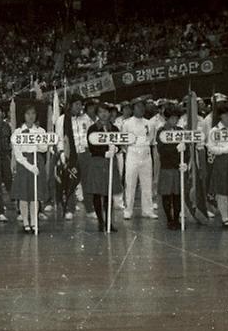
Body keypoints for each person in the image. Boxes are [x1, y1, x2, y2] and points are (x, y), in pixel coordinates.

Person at [11, 105, 49, 233]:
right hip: (24, 164)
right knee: (23, 195)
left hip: (37, 162)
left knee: (35, 195)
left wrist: (36, 143)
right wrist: (29, 166)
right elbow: (17, 154)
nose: (31, 116)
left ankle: (34, 222)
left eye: (33, 113)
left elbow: (44, 148)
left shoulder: (41, 131)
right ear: (23, 115)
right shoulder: (17, 132)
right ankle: (26, 223)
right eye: (28, 114)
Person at [85, 103, 121, 232]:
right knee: (97, 192)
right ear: (97, 114)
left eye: (106, 111)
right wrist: (103, 152)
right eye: (100, 112)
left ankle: (109, 222)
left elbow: (120, 143)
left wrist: (116, 149)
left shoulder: (115, 129)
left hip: (110, 162)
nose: (104, 114)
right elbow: (91, 147)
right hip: (98, 162)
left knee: (108, 193)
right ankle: (101, 221)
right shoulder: (92, 129)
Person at [122, 98, 158, 220]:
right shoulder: (126, 123)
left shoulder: (150, 123)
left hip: (146, 154)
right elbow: (123, 141)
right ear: (133, 108)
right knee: (130, 183)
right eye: (138, 106)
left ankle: (147, 210)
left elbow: (151, 139)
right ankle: (128, 210)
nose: (141, 109)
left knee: (147, 183)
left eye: (142, 106)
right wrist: (131, 151)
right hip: (132, 153)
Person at [56, 94, 90, 220]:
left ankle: (90, 209)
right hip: (70, 154)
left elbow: (89, 136)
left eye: (81, 104)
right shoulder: (62, 119)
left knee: (87, 182)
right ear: (70, 105)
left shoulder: (85, 119)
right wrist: (62, 153)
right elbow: (59, 137)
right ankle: (70, 209)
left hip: (84, 153)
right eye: (77, 104)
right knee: (71, 182)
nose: (79, 107)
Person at [156, 104, 189, 230]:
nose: (174, 120)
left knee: (178, 195)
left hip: (179, 168)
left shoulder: (181, 131)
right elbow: (162, 150)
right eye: (172, 118)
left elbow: (187, 150)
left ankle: (176, 218)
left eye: (176, 118)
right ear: (167, 118)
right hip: (167, 167)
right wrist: (176, 149)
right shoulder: (161, 131)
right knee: (167, 194)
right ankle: (169, 219)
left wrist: (185, 162)